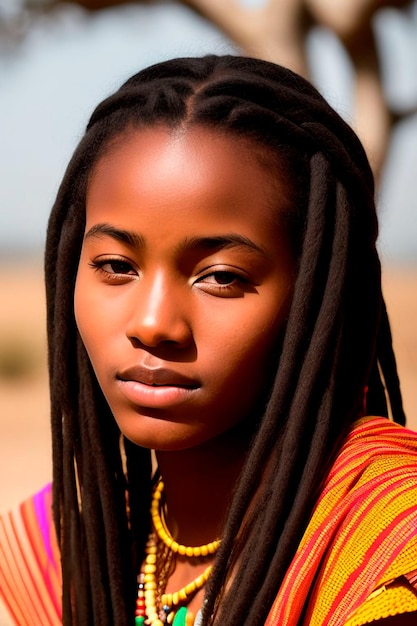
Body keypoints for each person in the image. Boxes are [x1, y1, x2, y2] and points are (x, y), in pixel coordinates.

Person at [0, 55, 416, 626]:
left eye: (221, 277)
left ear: (315, 295)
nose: (153, 324)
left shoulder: (382, 540)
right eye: (117, 265)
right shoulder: (63, 551)